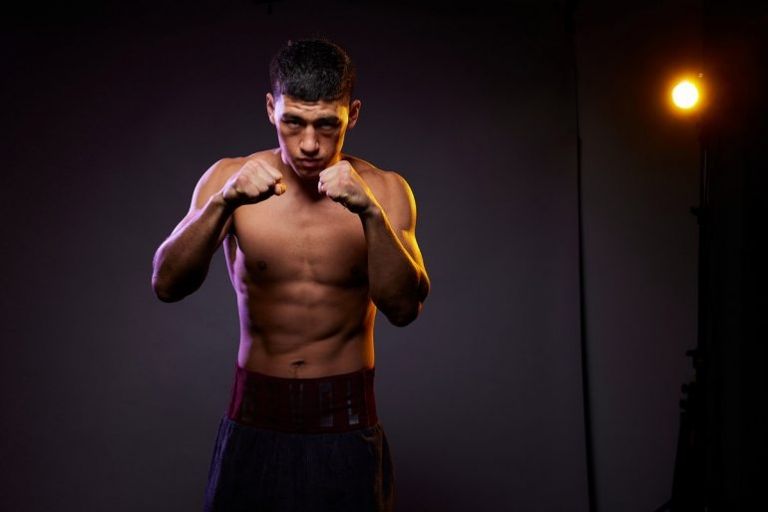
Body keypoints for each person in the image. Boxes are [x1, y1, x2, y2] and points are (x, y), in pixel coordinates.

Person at [151, 38, 430, 511]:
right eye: (293, 122)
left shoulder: (385, 190)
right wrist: (223, 203)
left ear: (352, 115)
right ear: (270, 109)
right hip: (254, 418)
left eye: (327, 124)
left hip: (345, 422)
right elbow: (166, 284)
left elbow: (404, 308)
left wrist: (370, 214)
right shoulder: (228, 179)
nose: (309, 143)